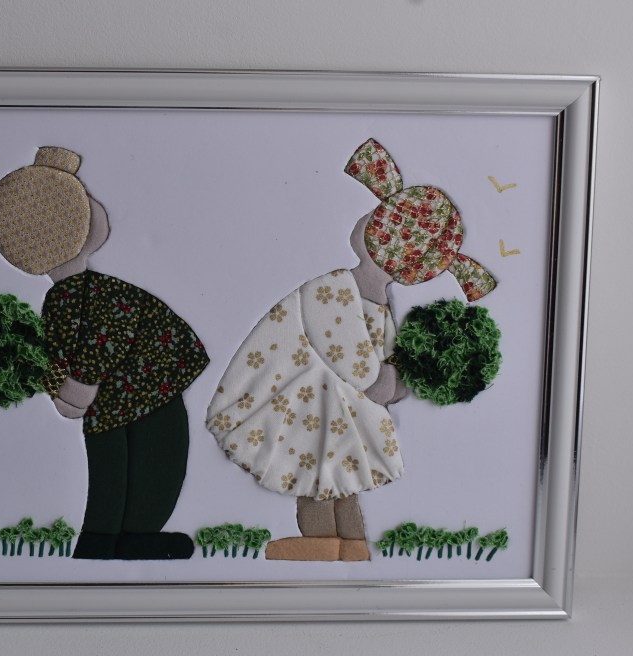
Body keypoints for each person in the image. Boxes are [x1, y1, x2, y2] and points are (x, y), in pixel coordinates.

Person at [205, 138, 496, 561]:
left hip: (327, 409)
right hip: (309, 400)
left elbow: (366, 361)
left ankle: (334, 544)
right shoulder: (340, 291)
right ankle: (335, 543)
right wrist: (388, 380)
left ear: (371, 234)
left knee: (325, 479)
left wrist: (392, 379)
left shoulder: (347, 290)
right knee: (325, 477)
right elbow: (355, 357)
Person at [0, 146, 209, 560]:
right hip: (147, 388)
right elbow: (99, 342)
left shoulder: (64, 297)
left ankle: (112, 538)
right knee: (155, 463)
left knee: (118, 467)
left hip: (128, 392)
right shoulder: (83, 293)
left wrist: (66, 388)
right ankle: (115, 538)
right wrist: (76, 387)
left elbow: (69, 349)